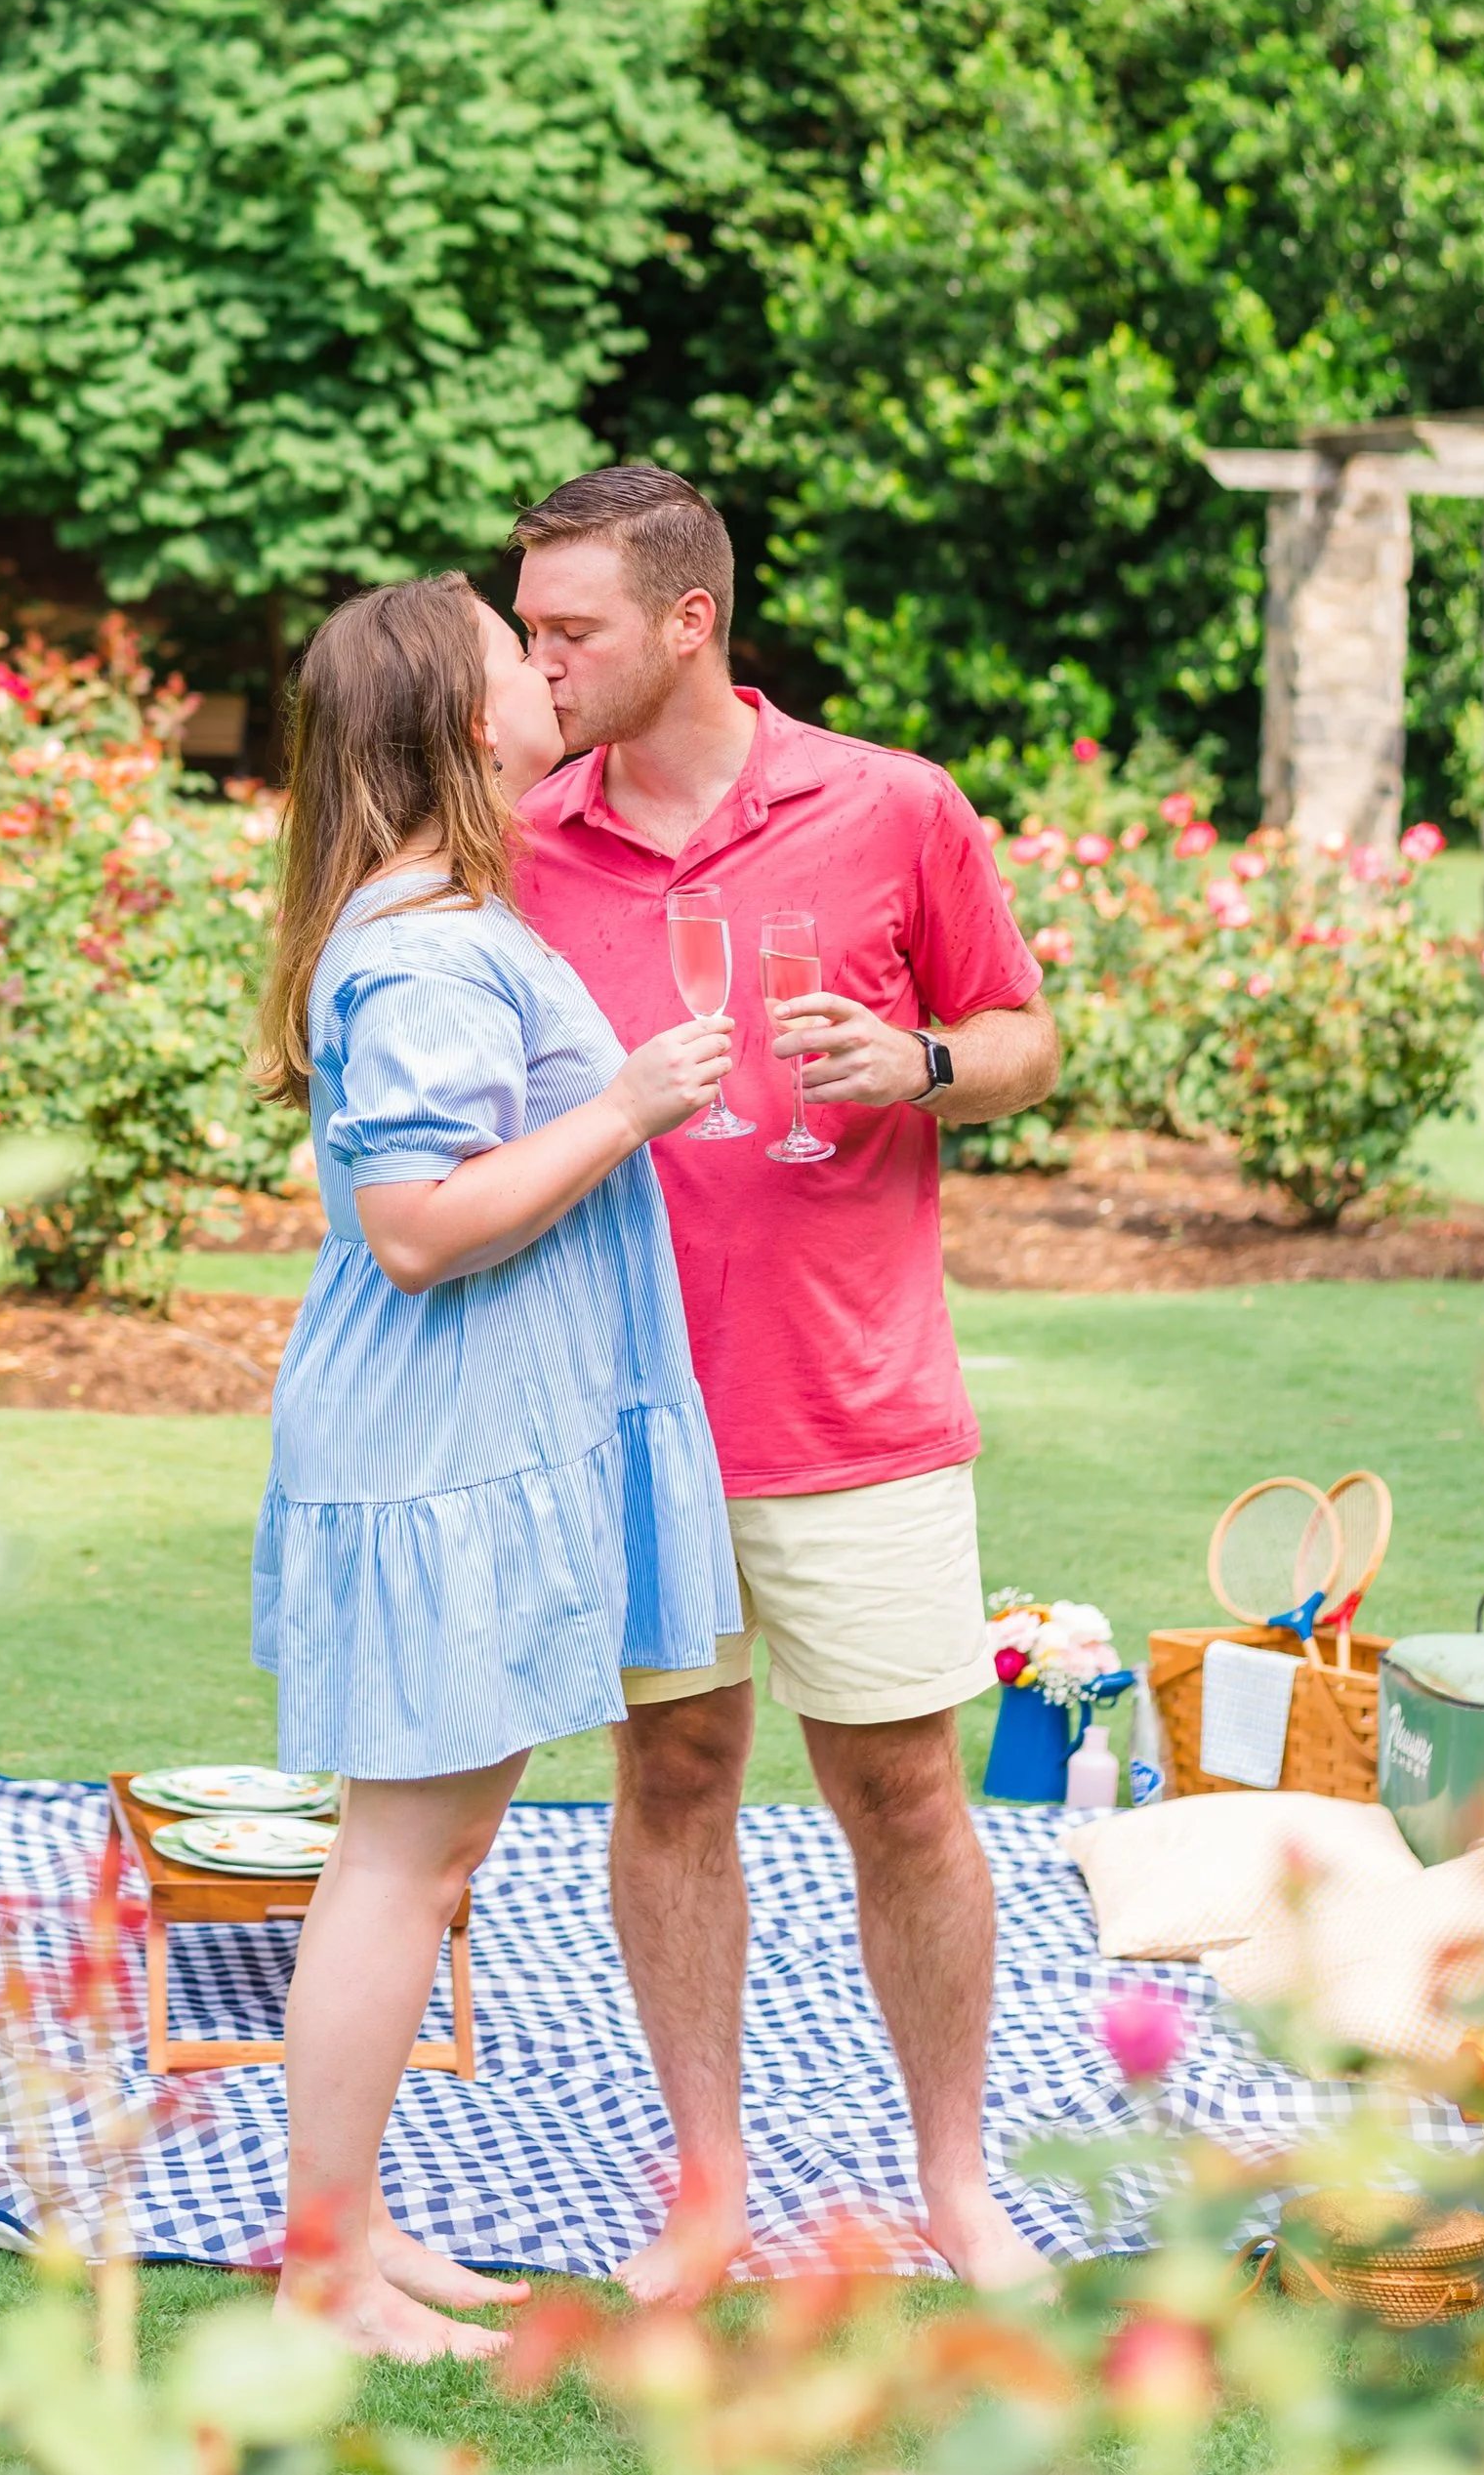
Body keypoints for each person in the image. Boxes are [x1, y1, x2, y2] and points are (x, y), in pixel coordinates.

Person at [509, 465, 1062, 2302]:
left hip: (855, 1401)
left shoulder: (893, 806)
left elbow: (1023, 1039)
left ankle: (958, 2178)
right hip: (626, 1415)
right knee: (674, 1769)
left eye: (569, 627)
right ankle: (707, 2185)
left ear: (691, 623)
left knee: (906, 1789)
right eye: (530, 625)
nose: (541, 658)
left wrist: (911, 1063)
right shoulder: (524, 833)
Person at [250, 571, 743, 2361]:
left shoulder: (448, 914)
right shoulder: (427, 947)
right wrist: (628, 1107)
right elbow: (414, 1229)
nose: (547, 671)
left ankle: (356, 2226)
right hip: (430, 1451)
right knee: (399, 1860)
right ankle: (319, 2271)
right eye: (511, 656)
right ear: (466, 724)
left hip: (475, 1444)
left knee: (432, 1854)